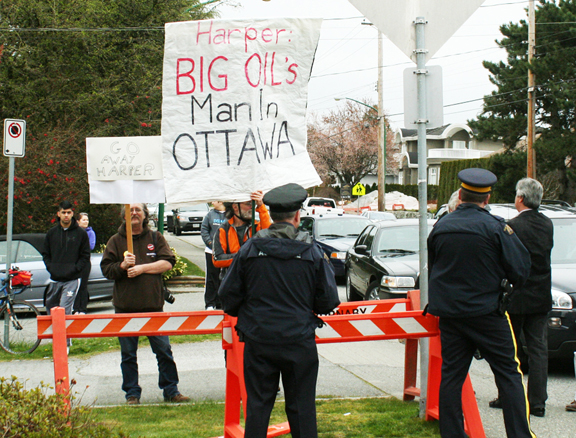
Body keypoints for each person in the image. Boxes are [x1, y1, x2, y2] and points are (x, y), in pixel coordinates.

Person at [219, 183, 340, 438]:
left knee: (258, 407)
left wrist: (251, 313)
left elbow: (228, 296)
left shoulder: (250, 249)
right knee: (302, 408)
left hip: (259, 339)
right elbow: (329, 300)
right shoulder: (311, 251)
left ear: (271, 216)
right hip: (298, 339)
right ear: (297, 216)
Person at [427, 168, 535, 438]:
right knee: (509, 373)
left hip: (451, 315)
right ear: (487, 199)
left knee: (452, 376)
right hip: (487, 313)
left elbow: (434, 268)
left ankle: (452, 433)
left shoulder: (441, 227)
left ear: (460, 195)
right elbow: (521, 269)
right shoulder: (496, 227)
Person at [100, 203, 190, 405]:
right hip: (125, 309)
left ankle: (171, 390)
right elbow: (107, 270)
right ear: (124, 215)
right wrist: (122, 266)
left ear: (145, 214)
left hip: (153, 307)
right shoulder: (115, 241)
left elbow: (168, 263)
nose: (134, 213)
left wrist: (141, 268)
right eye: (130, 210)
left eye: (138, 210)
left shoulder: (155, 238)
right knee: (128, 355)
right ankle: (132, 394)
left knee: (164, 351)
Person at [489, 178, 553, 418]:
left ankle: (508, 396)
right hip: (541, 294)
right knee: (539, 349)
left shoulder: (512, 226)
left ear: (521, 198)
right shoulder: (547, 224)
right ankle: (538, 401)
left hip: (516, 295)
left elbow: (506, 260)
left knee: (509, 350)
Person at [42, 201, 91, 326]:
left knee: (64, 310)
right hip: (55, 278)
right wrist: (51, 268)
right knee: (50, 308)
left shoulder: (81, 233)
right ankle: (55, 336)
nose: (66, 215)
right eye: (63, 212)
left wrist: (75, 269)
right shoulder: (51, 233)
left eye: (68, 212)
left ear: (72, 214)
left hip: (72, 279)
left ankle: (66, 337)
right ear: (58, 214)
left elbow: (85, 255)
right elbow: (46, 253)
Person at [212, 190, 271, 273]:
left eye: (253, 204)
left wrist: (261, 206)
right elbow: (217, 259)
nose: (252, 207)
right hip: (232, 278)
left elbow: (270, 238)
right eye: (248, 204)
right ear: (235, 207)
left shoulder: (256, 226)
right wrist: (245, 256)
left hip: (254, 277)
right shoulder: (223, 230)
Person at [200, 201, 226, 310]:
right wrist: (210, 243)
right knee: (212, 277)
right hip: (211, 252)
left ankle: (220, 302)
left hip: (225, 254)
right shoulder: (210, 215)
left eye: (214, 200)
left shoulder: (230, 215)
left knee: (224, 277)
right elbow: (204, 230)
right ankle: (210, 303)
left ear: (220, 201)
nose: (212, 202)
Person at [73, 212, 96, 314]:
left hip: (85, 262)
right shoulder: (74, 232)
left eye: (87, 220)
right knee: (75, 285)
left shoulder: (90, 233)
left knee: (83, 285)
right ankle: (75, 308)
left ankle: (82, 308)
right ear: (78, 221)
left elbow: (90, 246)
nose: (86, 222)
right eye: (84, 220)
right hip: (75, 262)